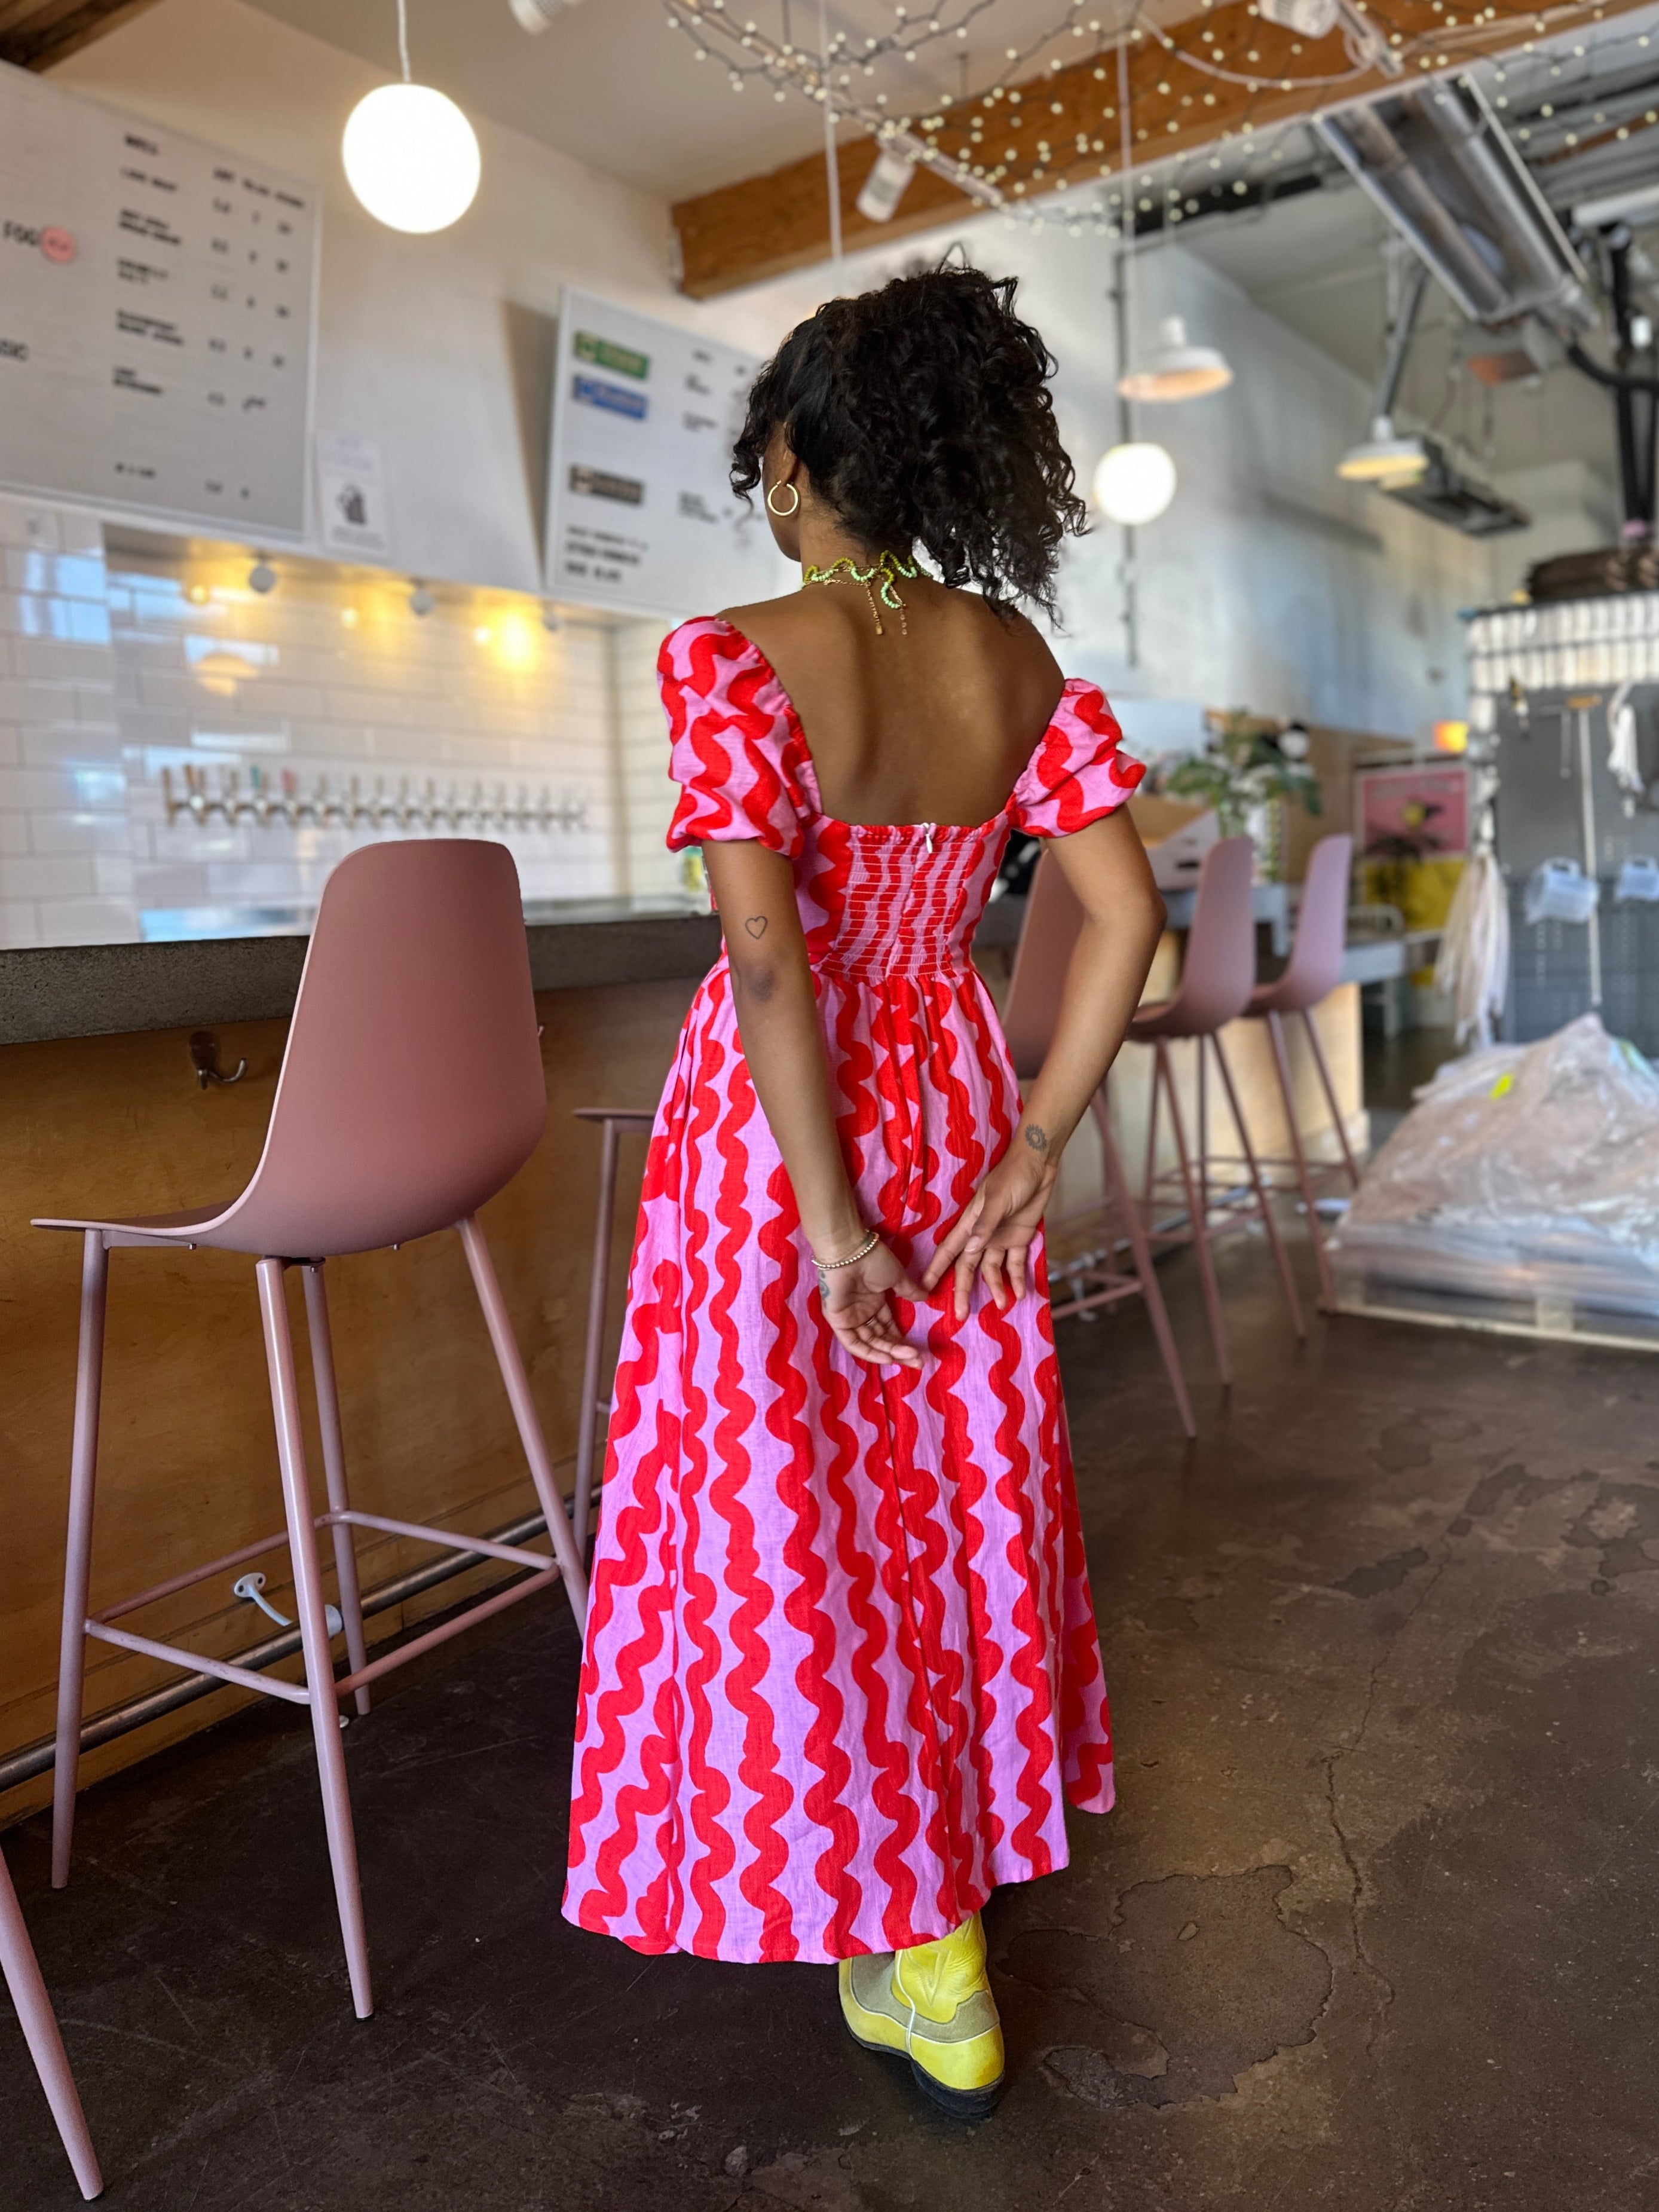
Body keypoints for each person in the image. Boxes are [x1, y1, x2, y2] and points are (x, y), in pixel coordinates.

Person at [563, 263, 1165, 2120]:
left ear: (808, 465)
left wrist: (829, 1231)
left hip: (786, 1143)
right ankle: (949, 1957)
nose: (770, 495)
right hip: (958, 1099)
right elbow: (1126, 917)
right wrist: (1035, 1149)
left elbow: (763, 970)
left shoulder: (734, 653)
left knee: (796, 1537)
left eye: (772, 464)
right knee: (948, 1516)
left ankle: (885, 1916)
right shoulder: (1018, 665)